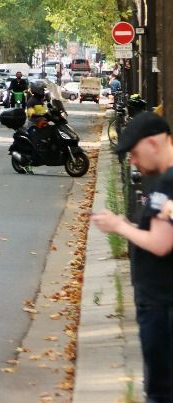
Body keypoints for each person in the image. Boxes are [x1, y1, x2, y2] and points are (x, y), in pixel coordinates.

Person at [92, 112, 173, 403]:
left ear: (153, 143)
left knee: (161, 390)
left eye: (135, 154)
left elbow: (162, 243)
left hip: (163, 304)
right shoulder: (163, 183)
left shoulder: (170, 185)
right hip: (157, 300)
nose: (134, 163)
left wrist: (120, 226)